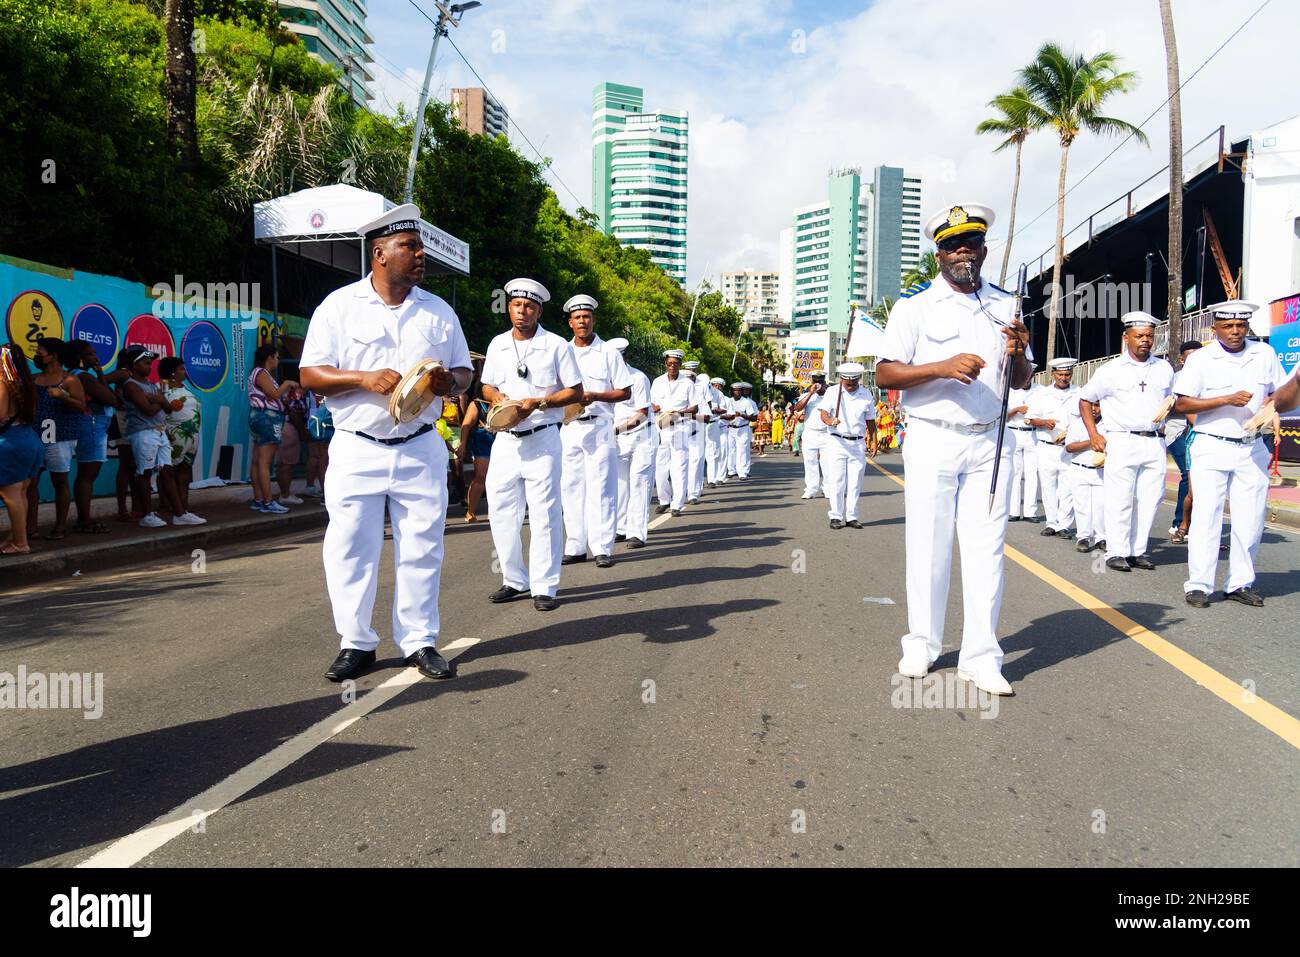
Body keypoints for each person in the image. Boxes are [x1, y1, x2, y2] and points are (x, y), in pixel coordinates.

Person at [299, 203, 473, 682]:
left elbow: (464, 371)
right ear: (379, 253)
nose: (420, 255)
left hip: (420, 444)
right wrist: (362, 378)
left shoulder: (438, 311)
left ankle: (418, 641)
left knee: (422, 546)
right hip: (358, 446)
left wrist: (448, 383)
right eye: (409, 247)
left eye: (419, 247)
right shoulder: (338, 306)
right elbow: (310, 374)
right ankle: (356, 643)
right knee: (351, 546)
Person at [875, 202, 1032, 697]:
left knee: (987, 549)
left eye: (970, 242)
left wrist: (1019, 351)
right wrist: (941, 367)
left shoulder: (1008, 305)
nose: (961, 250)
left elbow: (1023, 379)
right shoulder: (914, 306)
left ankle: (981, 657)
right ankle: (922, 642)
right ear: (938, 254)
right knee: (929, 546)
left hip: (990, 439)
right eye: (951, 244)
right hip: (933, 436)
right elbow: (885, 374)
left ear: (984, 248)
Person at [1173, 301, 1293, 608]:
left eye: (1241, 326)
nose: (1235, 332)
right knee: (1207, 515)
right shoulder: (1201, 358)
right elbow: (1182, 404)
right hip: (1212, 444)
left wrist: (1276, 401)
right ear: (1215, 329)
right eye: (1228, 326)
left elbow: (1281, 396)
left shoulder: (1264, 353)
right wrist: (1225, 399)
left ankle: (1240, 582)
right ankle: (1199, 584)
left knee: (1251, 519)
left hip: (1252, 446)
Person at [481, 278, 583, 611]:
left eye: (529, 307)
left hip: (542, 438)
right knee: (501, 512)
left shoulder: (556, 345)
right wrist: (498, 397)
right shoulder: (497, 344)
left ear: (538, 310)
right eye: (516, 305)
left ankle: (545, 585)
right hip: (506, 441)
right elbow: (486, 387)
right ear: (508, 307)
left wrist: (538, 402)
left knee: (545, 514)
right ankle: (513, 578)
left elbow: (575, 392)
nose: (522, 311)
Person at [1079, 311, 1174, 572]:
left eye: (1149, 336)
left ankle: (1137, 551)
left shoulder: (1163, 368)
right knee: (1120, 498)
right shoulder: (1110, 370)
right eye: (1139, 336)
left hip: (1154, 441)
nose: (1145, 340)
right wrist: (1094, 435)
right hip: (1122, 440)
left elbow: (1171, 398)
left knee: (1150, 498)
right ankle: (1116, 551)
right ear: (1126, 338)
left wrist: (1169, 408)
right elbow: (1085, 400)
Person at [559, 294, 631, 568]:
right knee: (571, 487)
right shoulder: (561, 350)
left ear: (593, 320)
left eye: (586, 317)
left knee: (602, 487)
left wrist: (596, 396)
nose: (582, 321)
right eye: (577, 317)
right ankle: (575, 545)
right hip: (569, 426)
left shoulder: (608, 353)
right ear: (570, 322)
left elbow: (624, 391)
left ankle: (602, 547)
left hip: (600, 425)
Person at [27, 338, 87, 540]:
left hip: (60, 438)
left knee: (59, 481)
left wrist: (62, 396)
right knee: (30, 483)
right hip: (35, 437)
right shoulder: (34, 378)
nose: (37, 354)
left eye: (41, 351)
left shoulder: (69, 380)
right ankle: (30, 527)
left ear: (53, 355)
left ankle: (60, 527)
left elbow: (81, 406)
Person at [121, 349, 188, 527]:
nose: (150, 366)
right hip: (143, 433)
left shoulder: (151, 386)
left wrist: (156, 398)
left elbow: (167, 408)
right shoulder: (131, 385)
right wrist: (160, 400)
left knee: (167, 471)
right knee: (145, 473)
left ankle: (180, 514)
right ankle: (147, 516)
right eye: (145, 363)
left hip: (159, 432)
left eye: (150, 363)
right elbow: (148, 410)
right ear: (134, 365)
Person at [818, 362, 879, 529]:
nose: (850, 387)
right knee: (837, 480)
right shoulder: (832, 392)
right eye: (847, 384)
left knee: (855, 482)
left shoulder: (866, 394)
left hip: (858, 443)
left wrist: (874, 440)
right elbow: (823, 413)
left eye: (853, 384)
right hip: (837, 441)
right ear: (842, 379)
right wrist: (830, 421)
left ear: (858, 379)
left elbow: (871, 421)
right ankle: (836, 516)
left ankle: (851, 517)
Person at [1025, 357, 1079, 538]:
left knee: (1067, 487)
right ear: (1053, 374)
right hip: (1046, 446)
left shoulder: (1079, 393)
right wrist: (1043, 422)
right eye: (1060, 374)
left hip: (1068, 448)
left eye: (1067, 374)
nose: (1064, 378)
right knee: (1048, 486)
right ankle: (1051, 522)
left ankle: (1064, 524)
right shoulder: (1042, 395)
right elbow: (1030, 418)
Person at [70, 341, 119, 534]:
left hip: (95, 425)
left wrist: (100, 374)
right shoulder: (82, 376)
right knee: (87, 474)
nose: (96, 357)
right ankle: (84, 520)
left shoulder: (87, 376)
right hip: (91, 425)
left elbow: (111, 397)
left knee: (88, 473)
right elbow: (112, 399)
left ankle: (84, 519)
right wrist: (99, 377)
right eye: (91, 354)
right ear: (80, 358)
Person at [609, 337, 653, 548]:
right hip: (615, 437)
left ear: (625, 357)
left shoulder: (638, 378)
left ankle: (637, 533)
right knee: (620, 484)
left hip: (640, 436)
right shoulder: (606, 379)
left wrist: (616, 429)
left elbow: (642, 414)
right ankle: (621, 528)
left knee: (638, 483)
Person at [0, 341, 43, 553]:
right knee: (21, 494)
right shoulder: (25, 384)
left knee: (10, 496)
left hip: (10, 443)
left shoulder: (2, 383)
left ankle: (20, 543)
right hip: (29, 439)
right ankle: (17, 537)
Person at [247, 344, 298, 514]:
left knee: (257, 461)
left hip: (260, 418)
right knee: (264, 462)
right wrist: (287, 383)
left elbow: (274, 396)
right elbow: (274, 394)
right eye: (276, 357)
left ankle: (259, 499)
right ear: (269, 357)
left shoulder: (261, 374)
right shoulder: (261, 373)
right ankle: (268, 501)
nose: (278, 360)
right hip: (267, 418)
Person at [157, 356, 206, 525]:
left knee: (185, 471)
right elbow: (158, 413)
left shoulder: (185, 388)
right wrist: (164, 432)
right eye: (181, 369)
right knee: (167, 471)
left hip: (191, 437)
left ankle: (183, 506)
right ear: (172, 372)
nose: (184, 371)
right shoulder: (161, 389)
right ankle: (165, 505)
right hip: (173, 435)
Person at [1166, 340, 1203, 544]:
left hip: (1203, 433)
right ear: (1182, 360)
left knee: (1202, 482)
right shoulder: (1176, 379)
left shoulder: (1209, 375)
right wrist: (1179, 405)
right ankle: (1179, 523)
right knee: (1187, 477)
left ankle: (1200, 528)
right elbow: (1165, 406)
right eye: (1190, 358)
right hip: (1178, 433)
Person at [651, 349, 695, 516]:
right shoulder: (657, 382)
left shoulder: (687, 383)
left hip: (680, 427)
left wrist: (679, 413)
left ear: (680, 365)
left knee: (679, 468)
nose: (672, 366)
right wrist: (654, 407)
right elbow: (651, 404)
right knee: (660, 469)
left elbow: (694, 407)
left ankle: (677, 504)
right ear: (665, 364)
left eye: (675, 364)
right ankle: (664, 500)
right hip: (661, 427)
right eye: (669, 364)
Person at [1064, 400, 1105, 553]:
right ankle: (1083, 537)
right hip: (1080, 469)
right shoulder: (1077, 424)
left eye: (1098, 405)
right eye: (1091, 405)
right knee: (1082, 505)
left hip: (1101, 471)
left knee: (1101, 506)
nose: (1094, 409)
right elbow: (1069, 447)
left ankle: (1102, 538)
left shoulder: (1109, 423)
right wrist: (1092, 440)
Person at [457, 365, 493, 523]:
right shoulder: (477, 404)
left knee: (500, 478)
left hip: (504, 439)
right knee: (481, 477)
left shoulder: (506, 399)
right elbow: (466, 425)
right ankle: (470, 511)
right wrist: (463, 444)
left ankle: (497, 511)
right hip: (483, 439)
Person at [1005, 381, 1037, 521]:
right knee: (1015, 473)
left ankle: (1030, 512)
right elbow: (1004, 415)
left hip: (1033, 434)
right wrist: (1017, 409)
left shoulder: (1041, 391)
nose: (1025, 381)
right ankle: (1014, 511)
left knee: (1032, 474)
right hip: (1015, 432)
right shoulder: (1010, 391)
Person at [275, 384, 310, 506]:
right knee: (287, 465)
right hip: (290, 429)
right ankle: (285, 494)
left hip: (278, 427)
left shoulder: (281, 392)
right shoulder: (296, 393)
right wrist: (303, 433)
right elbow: (296, 414)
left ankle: (283, 494)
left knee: (281, 464)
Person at [794, 373, 828, 497]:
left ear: (824, 382)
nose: (818, 384)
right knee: (810, 462)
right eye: (816, 381)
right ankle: (811, 489)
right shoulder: (806, 395)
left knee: (827, 463)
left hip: (827, 434)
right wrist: (810, 393)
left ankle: (827, 489)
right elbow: (797, 408)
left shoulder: (831, 395)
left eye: (821, 381)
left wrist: (824, 390)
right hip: (810, 433)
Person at [682, 360, 708, 503]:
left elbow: (706, 416)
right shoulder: (675, 395)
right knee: (680, 464)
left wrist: (685, 414)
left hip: (696, 431)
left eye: (690, 377)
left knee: (695, 462)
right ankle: (681, 492)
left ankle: (692, 493)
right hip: (678, 433)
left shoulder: (700, 393)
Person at [724, 381, 758, 479]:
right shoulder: (728, 401)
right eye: (735, 390)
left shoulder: (746, 402)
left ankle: (742, 472)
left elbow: (753, 417)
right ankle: (731, 470)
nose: (737, 392)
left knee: (742, 450)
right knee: (730, 450)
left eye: (739, 390)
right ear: (732, 391)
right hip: (730, 429)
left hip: (743, 429)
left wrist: (742, 414)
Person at [304, 391, 333, 498]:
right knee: (323, 458)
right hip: (320, 424)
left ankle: (310, 487)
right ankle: (325, 493)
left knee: (315, 456)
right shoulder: (319, 386)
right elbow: (320, 403)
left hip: (314, 422)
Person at [704, 376, 727, 487]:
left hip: (712, 423)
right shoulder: (694, 389)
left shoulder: (718, 394)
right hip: (697, 424)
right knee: (696, 455)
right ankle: (696, 485)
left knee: (712, 453)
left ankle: (711, 479)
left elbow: (724, 409)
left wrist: (713, 410)